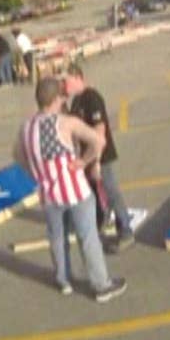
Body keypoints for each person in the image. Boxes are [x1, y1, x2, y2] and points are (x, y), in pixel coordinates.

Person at [12, 77, 127, 302]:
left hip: (49, 194)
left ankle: (63, 280)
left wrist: (36, 173)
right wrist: (84, 162)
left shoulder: (26, 127)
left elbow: (18, 156)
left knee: (57, 238)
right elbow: (98, 141)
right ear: (57, 99)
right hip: (75, 191)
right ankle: (101, 285)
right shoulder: (66, 123)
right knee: (88, 237)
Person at [64, 64, 134, 252]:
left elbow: (99, 130)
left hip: (101, 155)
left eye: (67, 81)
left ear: (78, 78)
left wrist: (95, 162)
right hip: (87, 156)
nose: (65, 85)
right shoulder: (76, 101)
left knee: (111, 191)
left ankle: (125, 230)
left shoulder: (91, 98)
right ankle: (100, 221)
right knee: (95, 193)